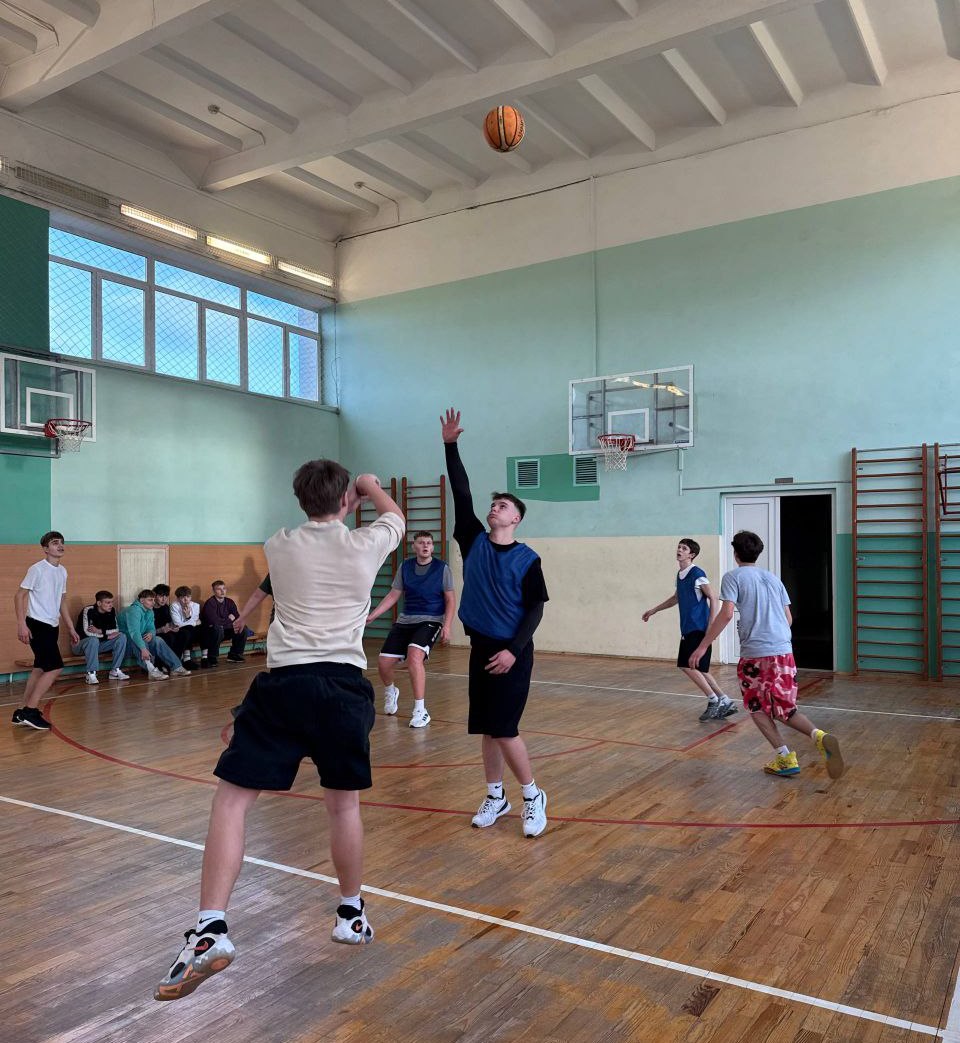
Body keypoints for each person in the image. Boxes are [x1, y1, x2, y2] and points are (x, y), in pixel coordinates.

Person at [154, 462, 404, 1002]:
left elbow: (326, 520)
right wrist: (369, 486)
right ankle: (350, 914)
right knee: (343, 806)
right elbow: (393, 518)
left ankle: (210, 927)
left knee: (231, 802)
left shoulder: (279, 544)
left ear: (299, 500)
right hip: (342, 688)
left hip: (284, 686)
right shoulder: (368, 545)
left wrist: (344, 498)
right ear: (346, 500)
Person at [441, 408, 549, 838]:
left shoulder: (528, 559)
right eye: (494, 504)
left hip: (513, 650)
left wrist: (513, 651)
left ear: (515, 518)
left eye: (502, 505)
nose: (494, 507)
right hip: (481, 646)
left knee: (504, 730)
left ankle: (533, 795)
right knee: (488, 730)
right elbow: (461, 490)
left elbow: (536, 610)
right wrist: (451, 445)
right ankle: (495, 796)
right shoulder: (472, 539)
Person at [689, 530, 844, 779]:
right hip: (784, 651)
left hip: (756, 655)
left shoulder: (733, 577)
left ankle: (784, 757)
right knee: (785, 708)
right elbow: (788, 618)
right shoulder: (773, 579)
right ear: (757, 553)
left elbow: (726, 614)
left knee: (756, 706)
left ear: (735, 553)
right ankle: (818, 735)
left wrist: (703, 645)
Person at [367, 531, 456, 728]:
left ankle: (420, 710)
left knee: (415, 656)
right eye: (421, 543)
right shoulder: (405, 567)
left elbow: (450, 599)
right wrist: (373, 615)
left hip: (431, 620)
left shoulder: (442, 569)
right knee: (383, 663)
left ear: (433, 547)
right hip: (406, 620)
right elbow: (394, 595)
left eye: (429, 543)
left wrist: (447, 625)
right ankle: (391, 691)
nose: (425, 546)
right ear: (414, 546)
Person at [642, 539, 736, 721]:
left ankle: (713, 700)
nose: (679, 549)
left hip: (698, 627)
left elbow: (713, 597)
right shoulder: (680, 575)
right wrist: (654, 610)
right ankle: (725, 701)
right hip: (688, 627)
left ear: (691, 554)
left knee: (686, 665)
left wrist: (711, 625)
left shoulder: (697, 573)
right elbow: (675, 598)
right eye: (679, 547)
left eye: (684, 548)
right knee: (701, 669)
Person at [12, 531, 80, 730]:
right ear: (45, 548)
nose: (60, 545)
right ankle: (31, 710)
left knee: (40, 668)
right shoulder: (37, 569)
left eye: (61, 542)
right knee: (55, 667)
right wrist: (21, 624)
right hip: (36, 624)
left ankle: (21, 710)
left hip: (52, 626)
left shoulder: (62, 571)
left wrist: (70, 627)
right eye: (54, 542)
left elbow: (61, 601)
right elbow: (19, 596)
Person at [119, 590, 190, 680]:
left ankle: (176, 667)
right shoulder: (133, 611)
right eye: (150, 600)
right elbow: (134, 633)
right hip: (125, 643)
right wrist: (143, 649)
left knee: (158, 639)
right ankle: (151, 670)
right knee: (141, 642)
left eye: (153, 600)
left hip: (139, 638)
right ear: (142, 601)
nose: (153, 602)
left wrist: (151, 634)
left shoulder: (149, 611)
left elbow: (152, 628)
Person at [73, 590, 129, 683]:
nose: (111, 605)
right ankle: (91, 674)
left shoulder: (112, 611)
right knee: (93, 640)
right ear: (99, 603)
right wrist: (106, 636)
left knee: (121, 636)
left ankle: (115, 670)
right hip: (80, 645)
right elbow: (87, 633)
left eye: (112, 602)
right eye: (108, 602)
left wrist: (100, 631)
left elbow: (115, 630)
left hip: (99, 645)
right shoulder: (88, 610)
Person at [201, 580, 247, 667]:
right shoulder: (210, 603)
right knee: (218, 628)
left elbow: (237, 617)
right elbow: (215, 622)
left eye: (224, 588)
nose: (222, 591)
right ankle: (212, 657)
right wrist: (229, 620)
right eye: (219, 589)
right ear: (214, 591)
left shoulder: (229, 602)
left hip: (225, 630)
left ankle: (234, 655)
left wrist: (228, 622)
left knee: (243, 628)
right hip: (211, 632)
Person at [169, 586, 201, 669]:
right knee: (188, 630)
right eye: (183, 597)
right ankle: (186, 659)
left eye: (188, 597)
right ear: (178, 598)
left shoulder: (196, 606)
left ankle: (191, 659)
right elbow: (177, 624)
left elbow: (196, 623)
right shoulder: (174, 606)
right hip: (178, 630)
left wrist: (188, 617)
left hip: (191, 631)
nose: (186, 599)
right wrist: (189, 618)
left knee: (198, 629)